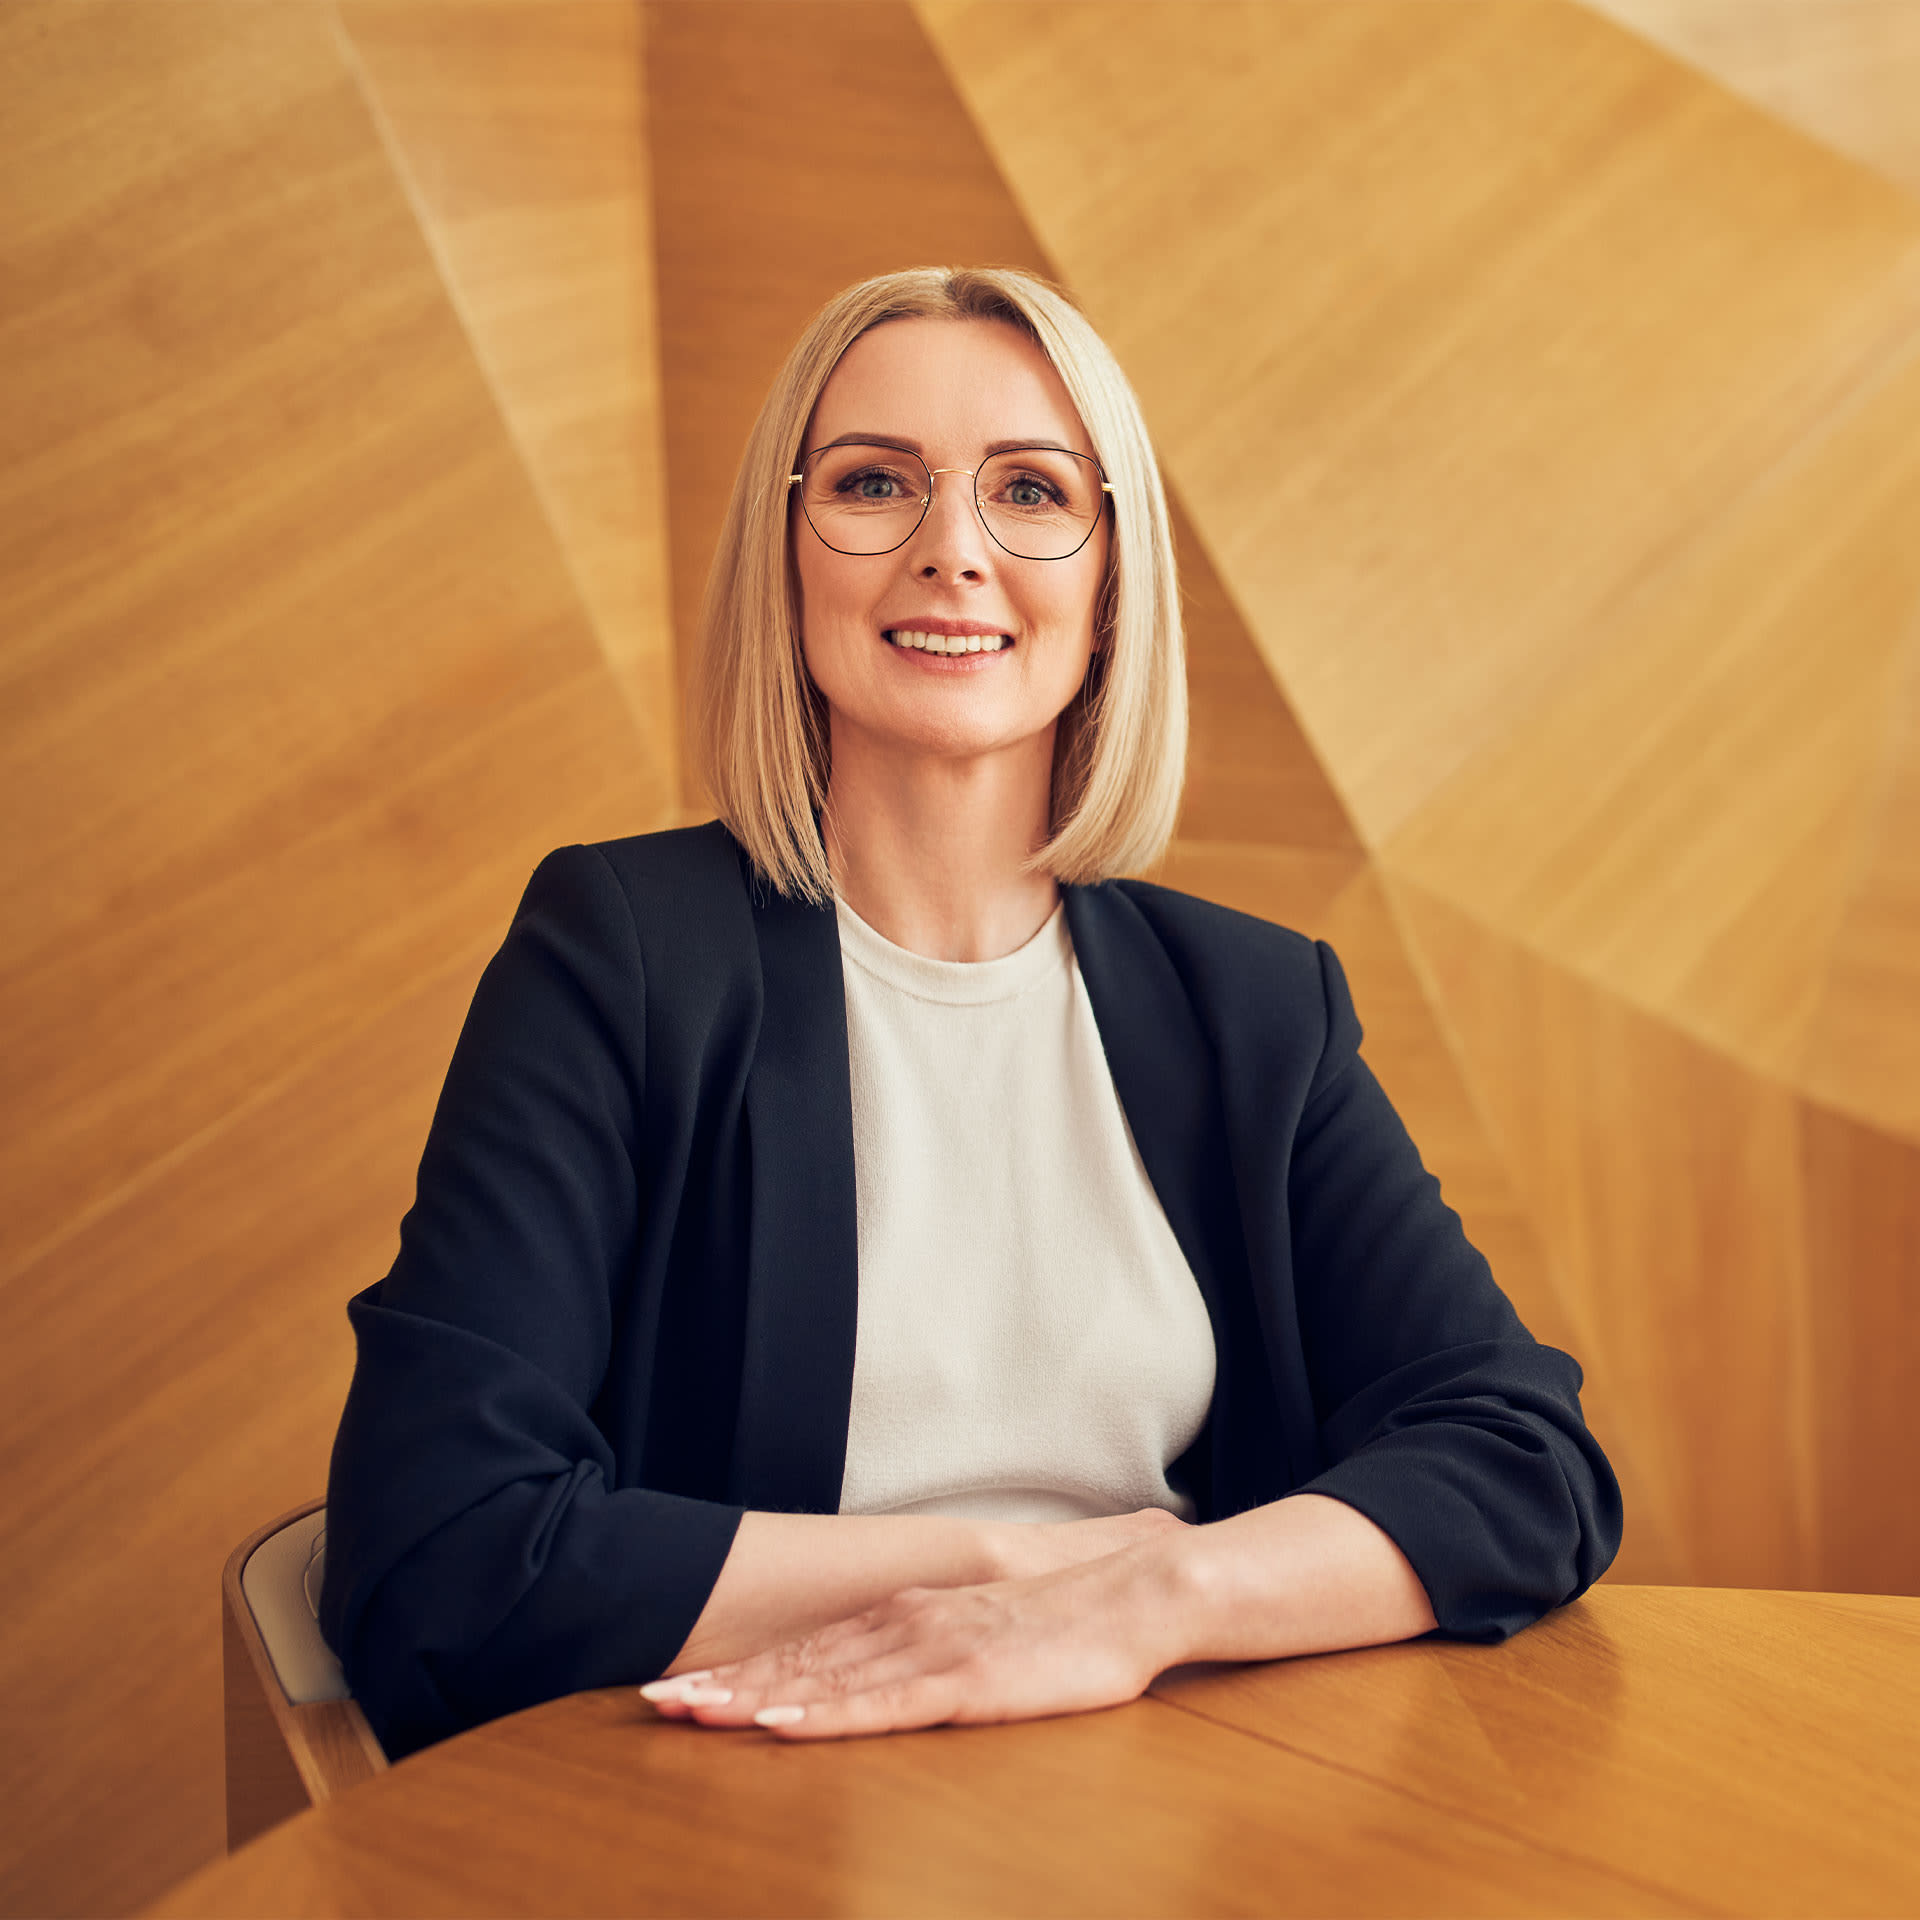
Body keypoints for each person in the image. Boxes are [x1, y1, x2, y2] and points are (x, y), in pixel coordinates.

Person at [321, 266, 1621, 1757]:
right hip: (743, 1822)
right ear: (785, 552)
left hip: (1198, 1807)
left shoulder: (1255, 1007)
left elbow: (1528, 1463)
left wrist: (1148, 1604)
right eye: (876, 484)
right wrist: (1003, 1569)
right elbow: (439, 1554)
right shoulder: (620, 955)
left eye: (1030, 491)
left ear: (1109, 581)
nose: (954, 552)